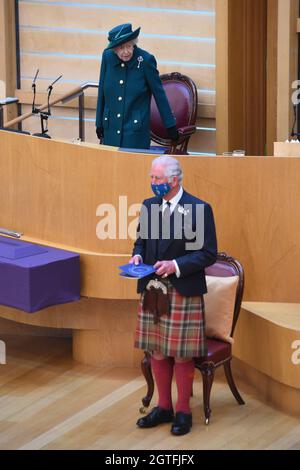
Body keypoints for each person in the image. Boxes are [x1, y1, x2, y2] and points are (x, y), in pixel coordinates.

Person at [129, 156, 218, 436]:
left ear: (174, 179)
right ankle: (163, 406)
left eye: (158, 179)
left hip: (182, 290)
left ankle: (183, 411)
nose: (153, 183)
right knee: (156, 348)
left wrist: (175, 266)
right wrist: (138, 254)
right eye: (151, 178)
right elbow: (141, 240)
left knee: (181, 355)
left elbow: (207, 253)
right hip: (153, 291)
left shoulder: (198, 209)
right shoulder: (149, 206)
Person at [95, 24, 179, 149]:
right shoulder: (107, 56)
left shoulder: (145, 60)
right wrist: (99, 122)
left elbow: (159, 94)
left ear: (134, 43)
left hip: (135, 130)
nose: (126, 51)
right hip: (110, 128)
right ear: (114, 49)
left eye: (129, 46)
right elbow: (102, 90)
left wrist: (170, 125)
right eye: (121, 47)